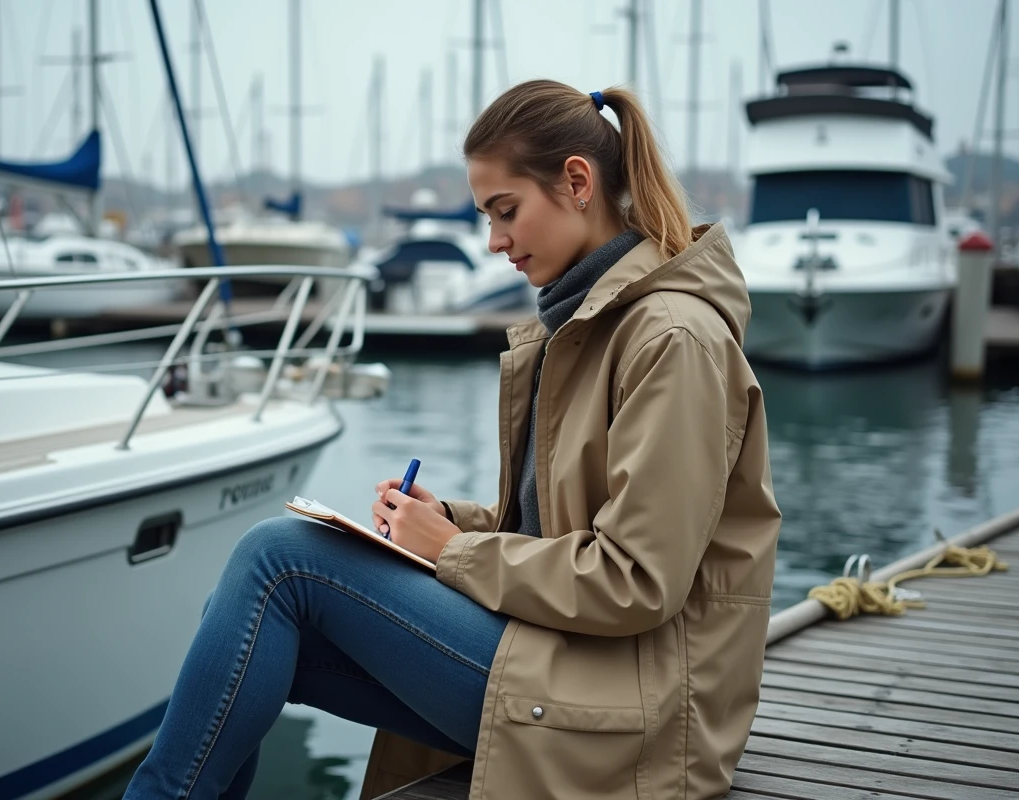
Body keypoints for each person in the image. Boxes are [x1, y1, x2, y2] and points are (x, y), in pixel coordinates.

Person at [124, 79, 780, 800]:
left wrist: (452, 552)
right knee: (244, 623)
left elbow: (636, 580)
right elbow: (564, 533)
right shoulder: (587, 326)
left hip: (645, 714)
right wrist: (448, 525)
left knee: (278, 562)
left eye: (506, 212)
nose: (494, 242)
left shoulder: (672, 339)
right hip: (579, 663)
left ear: (577, 181)